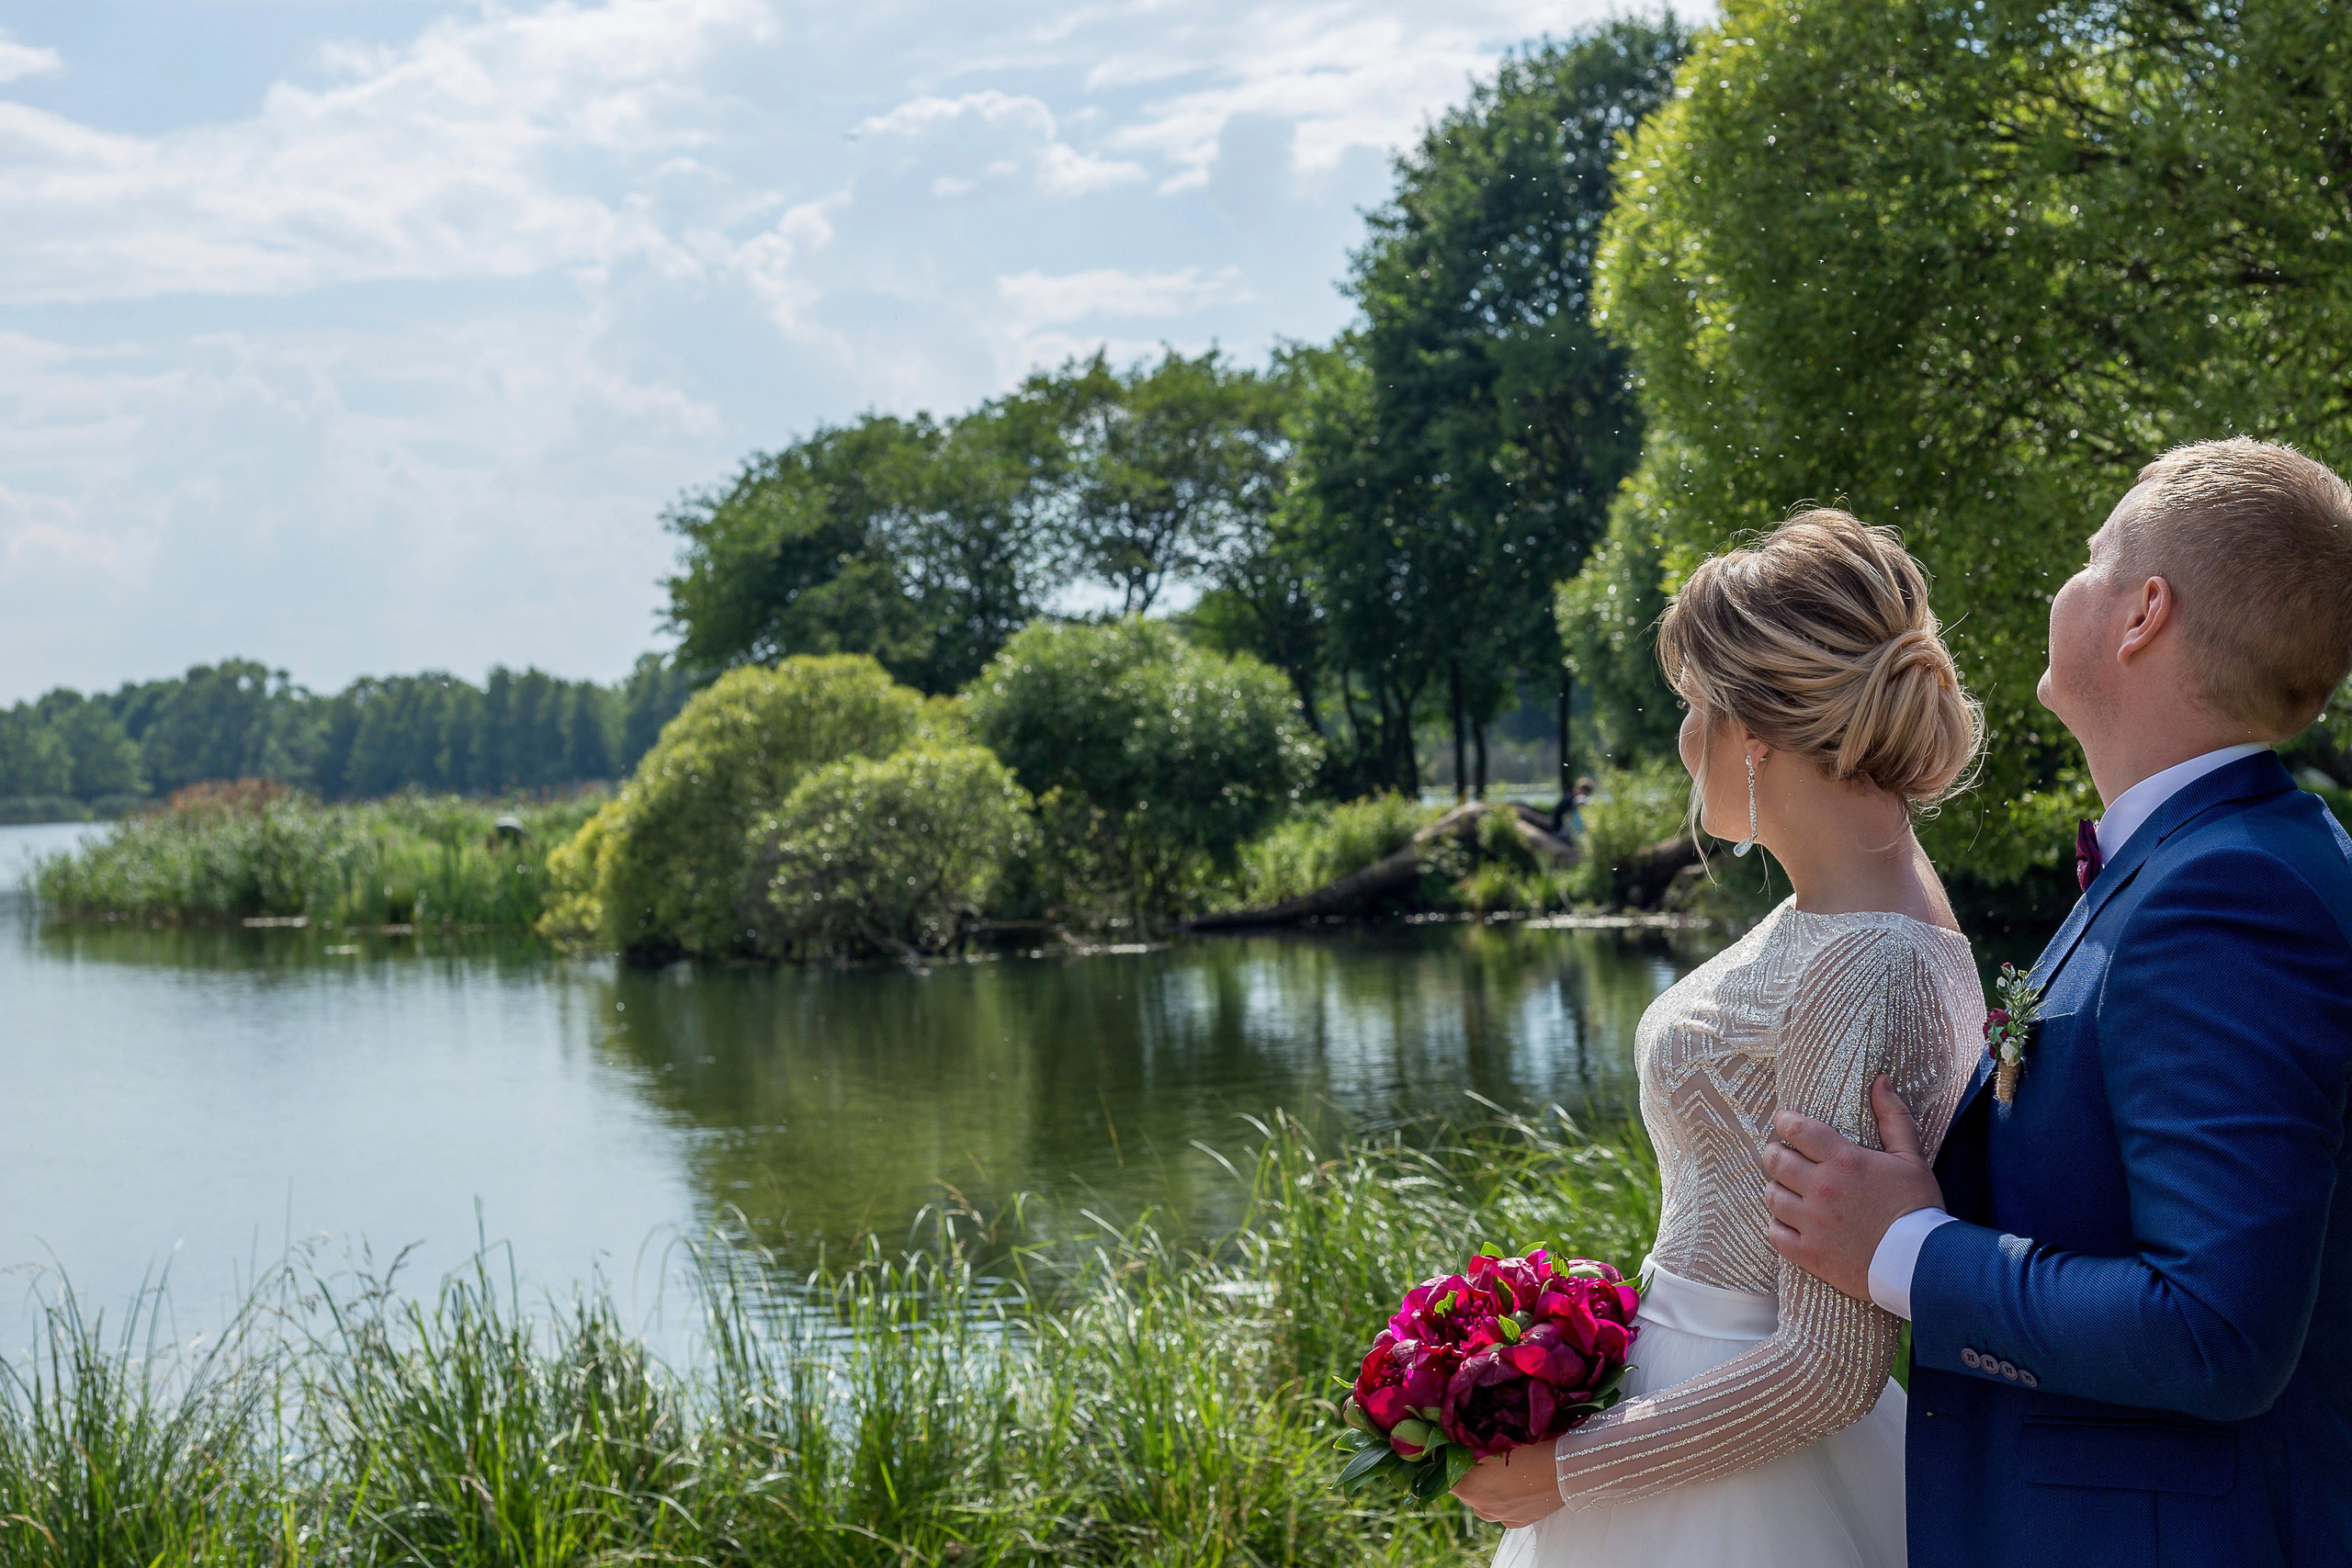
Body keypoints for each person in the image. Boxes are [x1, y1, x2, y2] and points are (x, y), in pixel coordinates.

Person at [1762, 438, 2352, 1567]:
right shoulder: (2205, 858)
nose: (2065, 584)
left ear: (2142, 614)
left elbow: (2215, 1329)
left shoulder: (2228, 893)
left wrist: (1906, 1250)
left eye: (2091, 558)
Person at [1454, 510, 1986, 1564]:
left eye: (1690, 704)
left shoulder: (1864, 958)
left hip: (1741, 1474)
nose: (1681, 736)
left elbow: (1828, 1368)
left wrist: (1566, 1472)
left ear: (1753, 729)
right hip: (1682, 1409)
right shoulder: (1843, 908)